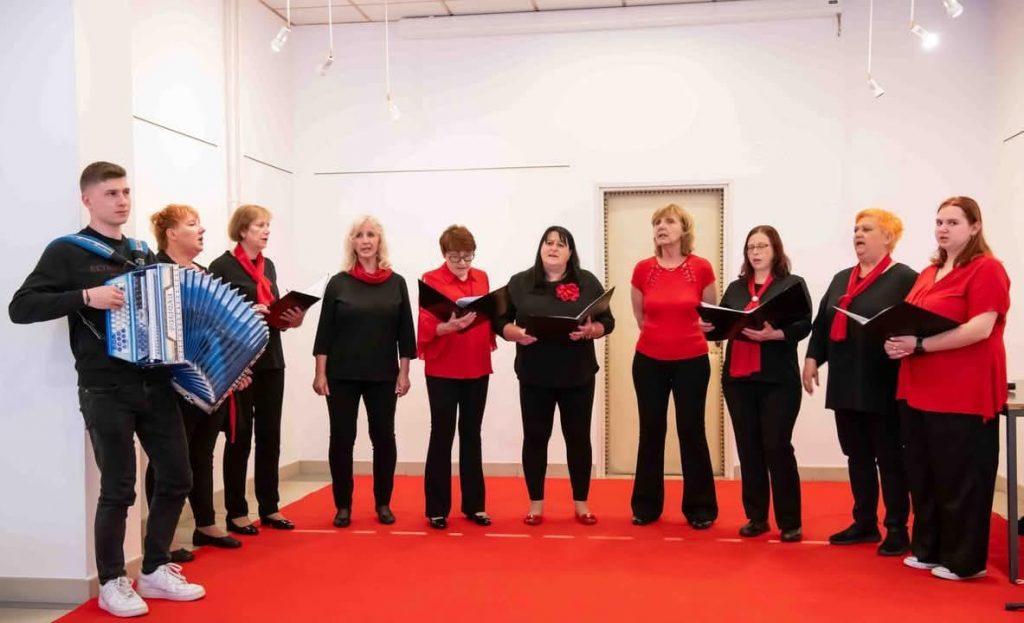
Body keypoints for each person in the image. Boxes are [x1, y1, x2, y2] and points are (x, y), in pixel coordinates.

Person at [9, 162, 204, 617]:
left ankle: (154, 568)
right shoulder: (67, 251)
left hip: (156, 383)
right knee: (118, 487)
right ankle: (112, 580)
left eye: (126, 192)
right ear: (88, 200)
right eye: (111, 193)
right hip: (105, 387)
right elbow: (21, 307)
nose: (122, 201)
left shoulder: (141, 252)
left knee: (178, 476)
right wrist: (85, 297)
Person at [887, 196, 1010, 581]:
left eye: (953, 222)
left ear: (975, 227)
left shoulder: (986, 268)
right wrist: (896, 342)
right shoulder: (929, 272)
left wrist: (920, 345)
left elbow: (980, 328)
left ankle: (964, 561)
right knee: (924, 475)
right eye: (939, 222)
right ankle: (929, 549)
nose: (943, 228)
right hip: (917, 387)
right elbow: (911, 320)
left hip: (962, 390)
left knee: (960, 477)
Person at [803, 209, 918, 555]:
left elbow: (917, 323)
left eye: (867, 229)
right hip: (845, 382)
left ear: (888, 237)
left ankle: (896, 528)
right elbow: (822, 323)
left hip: (883, 383)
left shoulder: (904, 278)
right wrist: (812, 358)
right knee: (857, 456)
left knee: (890, 458)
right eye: (856, 229)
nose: (858, 234)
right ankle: (864, 522)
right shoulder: (842, 278)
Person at [493, 225, 614, 526]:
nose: (553, 248)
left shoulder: (587, 281)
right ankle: (535, 505)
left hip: (578, 375)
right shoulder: (520, 282)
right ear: (540, 248)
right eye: (548, 243)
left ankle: (581, 503)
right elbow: (499, 320)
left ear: (570, 252)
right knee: (536, 438)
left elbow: (607, 321)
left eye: (561, 244)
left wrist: (592, 330)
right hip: (534, 375)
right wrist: (513, 333)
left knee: (578, 439)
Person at [144, 204, 244, 557]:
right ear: (171, 233)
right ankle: (165, 538)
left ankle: (205, 524)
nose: (201, 229)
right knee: (168, 460)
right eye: (192, 224)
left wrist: (234, 368)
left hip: (210, 382)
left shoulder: (204, 274)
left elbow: (217, 330)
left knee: (202, 453)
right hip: (171, 384)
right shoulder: (156, 273)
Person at [313, 215, 415, 527]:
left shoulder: (396, 282)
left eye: (371, 234)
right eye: (359, 235)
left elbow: (406, 333)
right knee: (342, 439)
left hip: (383, 375)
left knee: (383, 437)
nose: (366, 240)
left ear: (379, 241)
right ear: (352, 243)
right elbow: (324, 332)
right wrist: (320, 373)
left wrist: (404, 372)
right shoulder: (338, 283)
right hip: (341, 375)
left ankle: (383, 503)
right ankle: (343, 505)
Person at [209, 205, 305, 536]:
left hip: (271, 360)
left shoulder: (269, 266)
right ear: (242, 230)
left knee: (270, 436)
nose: (266, 231)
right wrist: (246, 312)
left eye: (267, 225)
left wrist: (290, 319)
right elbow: (214, 317)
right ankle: (236, 511)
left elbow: (273, 313)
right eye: (259, 226)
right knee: (240, 436)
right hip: (240, 365)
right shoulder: (221, 266)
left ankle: (270, 506)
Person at [716, 226, 811, 543]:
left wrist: (776, 334)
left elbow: (804, 324)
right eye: (751, 247)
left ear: (776, 250)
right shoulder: (735, 288)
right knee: (749, 448)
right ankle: (756, 517)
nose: (755, 252)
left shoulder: (791, 285)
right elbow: (723, 323)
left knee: (777, 446)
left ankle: (790, 521)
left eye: (762, 246)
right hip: (738, 380)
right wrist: (709, 326)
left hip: (777, 380)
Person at [630, 204, 718, 528]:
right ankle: (646, 506)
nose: (661, 227)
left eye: (669, 221)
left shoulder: (701, 268)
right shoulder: (643, 269)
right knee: (651, 430)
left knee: (691, 430)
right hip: (649, 361)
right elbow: (641, 318)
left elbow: (710, 316)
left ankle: (700, 508)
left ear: (684, 229)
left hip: (691, 361)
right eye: (657, 222)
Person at [418, 226, 496, 529]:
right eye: (455, 257)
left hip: (477, 364)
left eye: (467, 256)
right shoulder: (431, 279)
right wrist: (446, 327)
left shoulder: (482, 277)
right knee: (442, 433)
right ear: (444, 254)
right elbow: (426, 323)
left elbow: (489, 315)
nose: (462, 263)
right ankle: (437, 509)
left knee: (472, 433)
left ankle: (475, 505)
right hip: (443, 368)